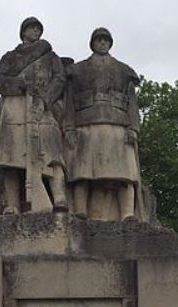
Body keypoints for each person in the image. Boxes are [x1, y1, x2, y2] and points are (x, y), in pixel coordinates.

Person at [0, 17, 67, 214]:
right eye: (31, 28)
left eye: (37, 28)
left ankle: (59, 198)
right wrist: (19, 85)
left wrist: (46, 99)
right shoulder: (10, 57)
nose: (35, 31)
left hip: (42, 106)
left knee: (52, 153)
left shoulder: (51, 56)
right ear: (23, 32)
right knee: (11, 157)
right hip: (14, 107)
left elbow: (60, 79)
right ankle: (13, 204)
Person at [64, 27, 141, 221]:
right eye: (99, 40)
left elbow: (132, 103)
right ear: (93, 43)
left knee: (125, 175)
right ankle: (80, 210)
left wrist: (133, 128)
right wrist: (69, 128)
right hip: (86, 125)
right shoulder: (77, 70)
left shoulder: (124, 71)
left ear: (110, 43)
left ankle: (127, 213)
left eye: (105, 40)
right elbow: (69, 102)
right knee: (82, 173)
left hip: (117, 125)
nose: (102, 43)